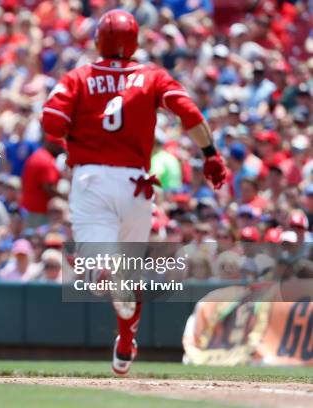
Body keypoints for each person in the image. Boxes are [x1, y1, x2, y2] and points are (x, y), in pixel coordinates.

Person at [41, 10, 227, 376]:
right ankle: (125, 342)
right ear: (136, 41)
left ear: (98, 41)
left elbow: (52, 122)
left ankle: (108, 281)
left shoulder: (79, 76)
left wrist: (75, 135)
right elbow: (189, 113)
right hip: (138, 185)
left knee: (99, 271)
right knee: (128, 273)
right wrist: (211, 155)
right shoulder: (153, 75)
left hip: (92, 180)